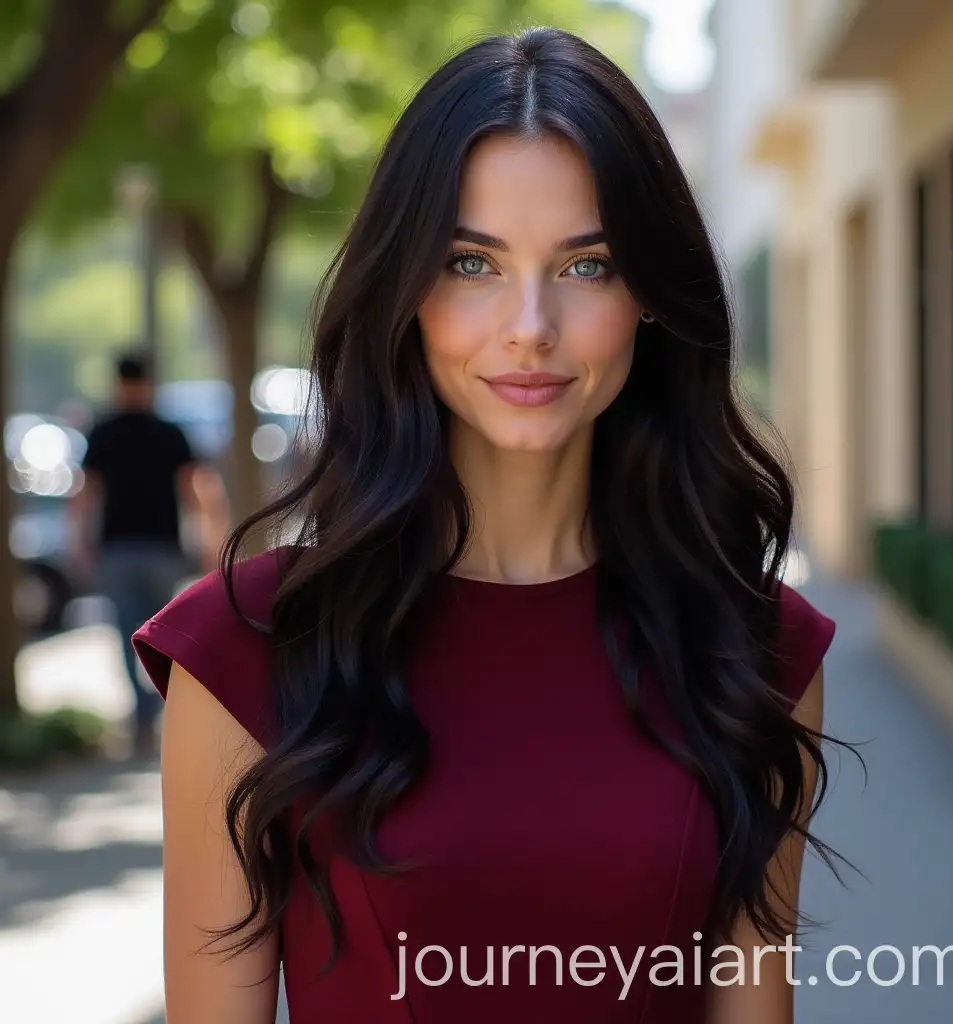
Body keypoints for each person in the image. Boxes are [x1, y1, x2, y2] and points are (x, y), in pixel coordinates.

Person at [131, 28, 859, 1024]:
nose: (529, 324)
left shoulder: (752, 647)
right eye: (472, 262)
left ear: (649, 296)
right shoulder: (246, 652)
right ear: (405, 290)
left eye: (587, 266)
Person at [71, 352, 229, 754]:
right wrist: (211, 536)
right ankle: (158, 712)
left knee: (131, 636)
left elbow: (84, 494)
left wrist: (81, 543)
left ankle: (149, 714)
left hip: (126, 549)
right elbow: (198, 490)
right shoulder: (167, 432)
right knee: (160, 638)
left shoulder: (104, 432)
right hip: (155, 549)